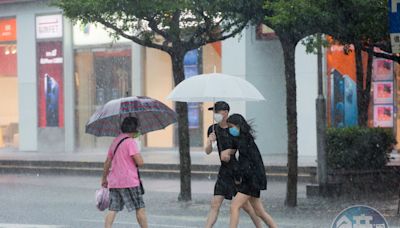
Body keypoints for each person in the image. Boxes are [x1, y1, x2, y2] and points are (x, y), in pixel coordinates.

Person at [204, 101, 262, 228]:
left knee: (246, 206)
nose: (214, 114)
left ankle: (259, 226)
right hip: (224, 171)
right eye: (214, 112)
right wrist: (209, 141)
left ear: (225, 112)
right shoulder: (212, 129)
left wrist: (229, 152)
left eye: (216, 112)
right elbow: (208, 151)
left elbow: (240, 147)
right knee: (215, 203)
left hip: (237, 171)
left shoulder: (233, 129)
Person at [225, 113, 277, 228]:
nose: (230, 130)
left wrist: (238, 177)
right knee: (259, 212)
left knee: (234, 206)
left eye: (231, 127)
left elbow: (245, 164)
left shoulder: (244, 141)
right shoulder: (244, 139)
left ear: (238, 126)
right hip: (254, 179)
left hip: (251, 180)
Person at [101, 117, 148, 228]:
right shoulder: (131, 142)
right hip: (129, 181)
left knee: (113, 209)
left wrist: (104, 179)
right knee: (140, 208)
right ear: (135, 129)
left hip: (115, 182)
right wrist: (138, 151)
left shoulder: (115, 141)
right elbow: (140, 162)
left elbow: (107, 162)